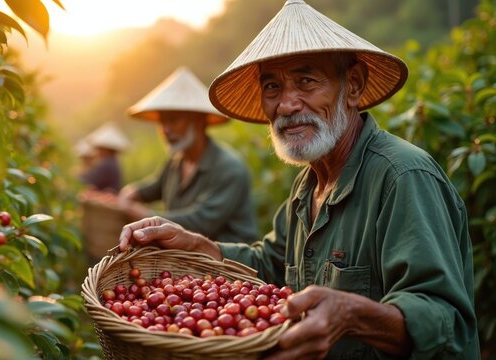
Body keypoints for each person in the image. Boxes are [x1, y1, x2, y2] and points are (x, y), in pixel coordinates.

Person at [118, 1, 479, 359]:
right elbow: (273, 263)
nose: (287, 105)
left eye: (306, 81)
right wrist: (198, 245)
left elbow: (445, 320)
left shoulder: (403, 177)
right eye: (272, 87)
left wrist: (351, 316)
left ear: (352, 86)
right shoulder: (309, 186)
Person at [118, 66, 258, 244]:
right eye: (162, 122)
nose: (165, 130)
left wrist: (139, 213)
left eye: (173, 120)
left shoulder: (229, 168)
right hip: (186, 263)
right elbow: (153, 187)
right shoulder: (177, 161)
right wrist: (129, 193)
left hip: (227, 265)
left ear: (199, 121)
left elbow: (199, 223)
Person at [79, 122, 130, 193]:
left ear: (106, 149)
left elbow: (87, 180)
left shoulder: (107, 164)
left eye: (99, 148)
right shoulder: (113, 162)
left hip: (109, 198)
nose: (97, 151)